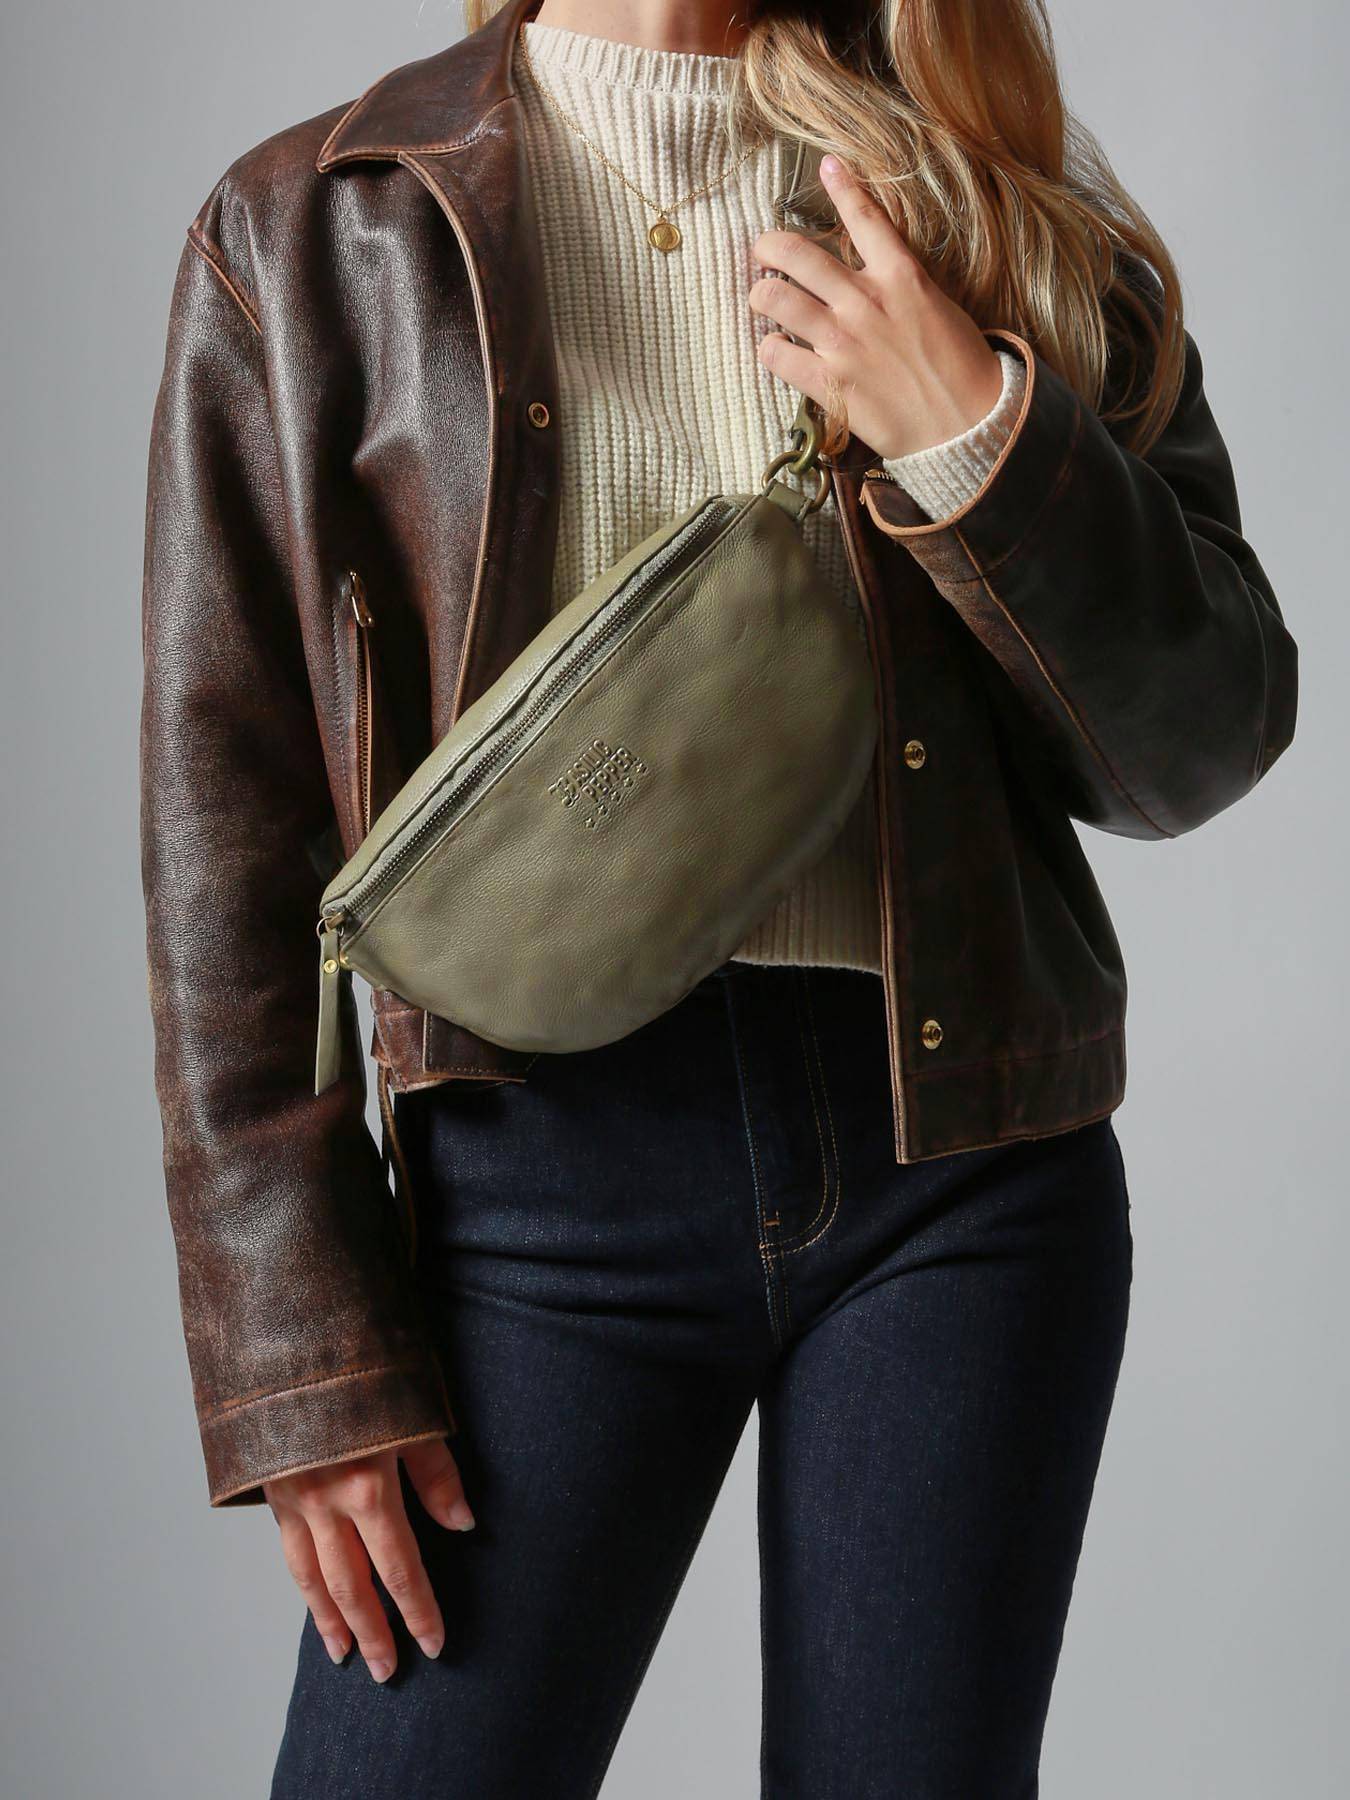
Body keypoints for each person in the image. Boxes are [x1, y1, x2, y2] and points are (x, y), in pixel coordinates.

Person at [138, 0, 1298, 1792]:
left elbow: (1203, 736)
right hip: (529, 1196)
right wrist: (300, 1349)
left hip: (962, 1175)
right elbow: (228, 812)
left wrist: (976, 437)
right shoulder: (317, 225)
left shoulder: (987, 210)